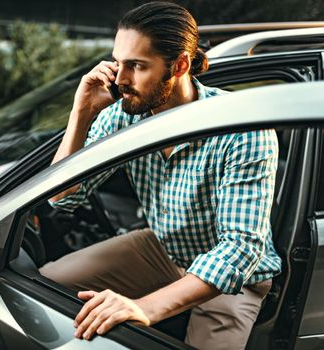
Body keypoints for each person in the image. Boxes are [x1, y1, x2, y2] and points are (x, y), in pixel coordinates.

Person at [39, 2, 282, 349]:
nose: (121, 80)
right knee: (44, 285)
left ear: (180, 64)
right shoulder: (124, 113)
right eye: (118, 63)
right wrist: (81, 112)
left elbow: (240, 248)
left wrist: (142, 308)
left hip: (235, 275)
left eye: (136, 66)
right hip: (164, 247)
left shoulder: (243, 130)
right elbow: (63, 197)